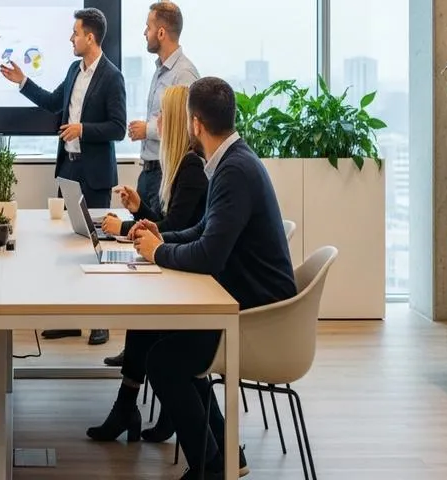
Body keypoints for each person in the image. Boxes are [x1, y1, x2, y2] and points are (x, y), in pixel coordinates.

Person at [86, 77, 297, 480]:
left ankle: (211, 467)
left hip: (258, 314)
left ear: (196, 124)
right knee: (167, 346)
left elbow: (208, 253)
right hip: (246, 297)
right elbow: (203, 230)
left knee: (165, 359)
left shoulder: (232, 171)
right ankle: (222, 457)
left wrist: (158, 251)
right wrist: (160, 237)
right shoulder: (234, 161)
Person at [0, 7, 126, 346]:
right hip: (69, 169)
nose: (71, 38)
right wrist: (23, 82)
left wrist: (82, 129)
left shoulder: (112, 77)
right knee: (68, 245)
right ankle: (71, 319)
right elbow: (55, 101)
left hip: (95, 174)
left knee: (94, 248)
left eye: (76, 33)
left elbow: (119, 127)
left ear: (91, 37)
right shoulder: (74, 69)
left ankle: (100, 322)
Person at [99, 84, 208, 386]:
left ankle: (128, 405)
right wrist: (138, 209)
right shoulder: (180, 164)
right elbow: (169, 223)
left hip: (191, 279)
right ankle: (128, 404)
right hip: (181, 265)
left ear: (172, 120)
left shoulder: (191, 167)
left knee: (143, 308)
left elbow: (175, 227)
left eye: (161, 113)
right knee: (141, 307)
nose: (156, 119)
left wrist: (124, 227)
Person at [127, 2, 199, 221]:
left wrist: (146, 130)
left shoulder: (184, 74)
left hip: (164, 170)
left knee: (158, 236)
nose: (144, 33)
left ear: (161, 32)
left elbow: (184, 127)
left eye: (148, 27)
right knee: (140, 235)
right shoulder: (160, 71)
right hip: (148, 169)